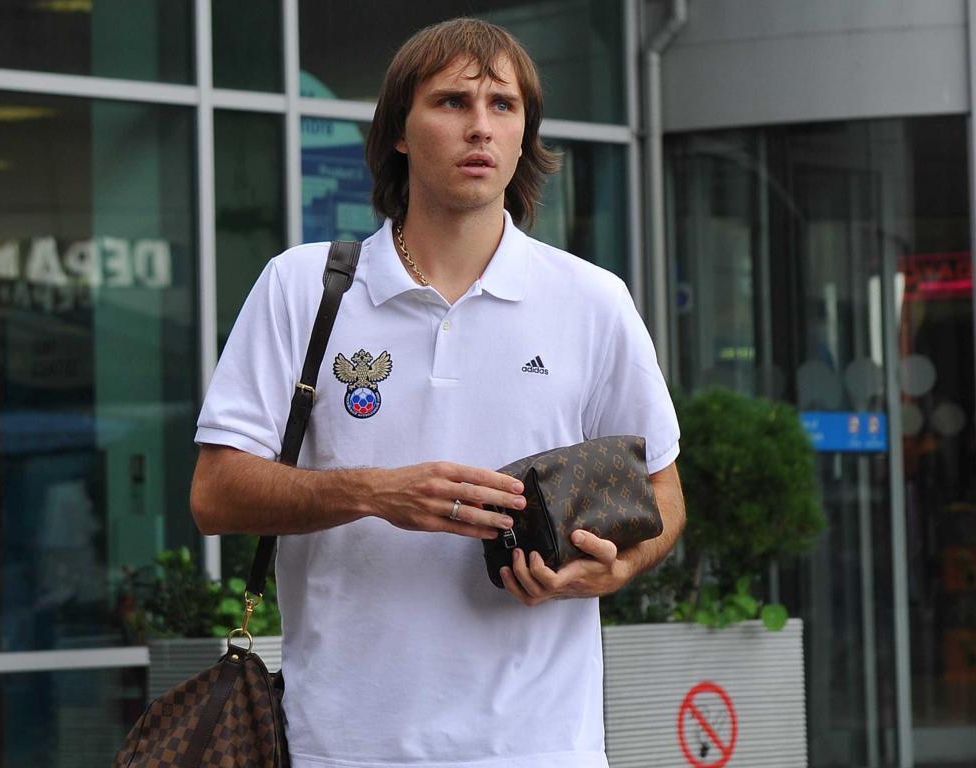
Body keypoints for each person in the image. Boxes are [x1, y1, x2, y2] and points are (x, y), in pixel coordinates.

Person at [190, 17, 684, 768]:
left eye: (503, 105)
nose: (480, 126)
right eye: (453, 102)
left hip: (539, 747)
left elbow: (664, 494)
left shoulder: (592, 300)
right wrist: (375, 492)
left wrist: (616, 567)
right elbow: (215, 495)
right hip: (343, 747)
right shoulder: (304, 287)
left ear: (524, 134)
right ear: (399, 130)